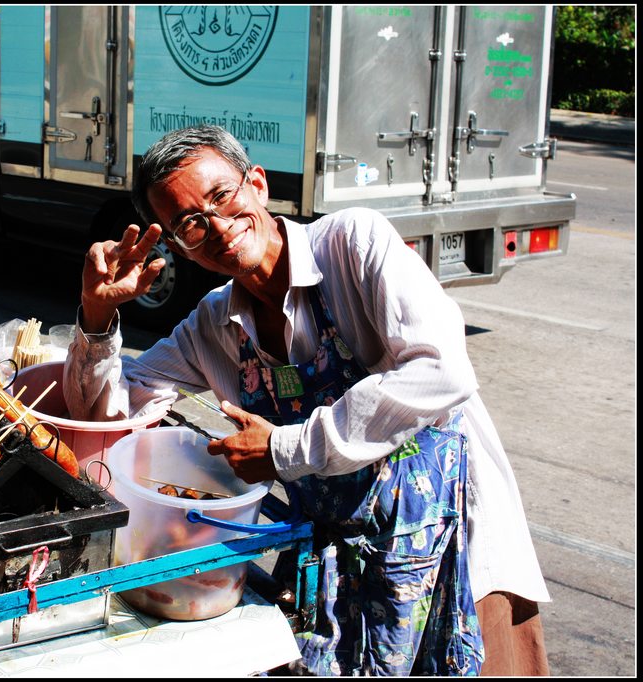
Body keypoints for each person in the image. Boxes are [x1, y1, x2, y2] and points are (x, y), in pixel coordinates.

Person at [62, 124, 550, 675]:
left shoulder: (351, 245)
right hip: (339, 565)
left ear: (258, 185)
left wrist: (287, 450)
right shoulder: (213, 327)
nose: (218, 227)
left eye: (222, 197)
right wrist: (97, 316)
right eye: (191, 224)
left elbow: (441, 369)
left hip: (449, 545)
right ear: (180, 249)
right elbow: (107, 415)